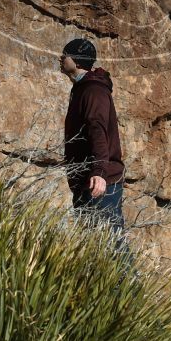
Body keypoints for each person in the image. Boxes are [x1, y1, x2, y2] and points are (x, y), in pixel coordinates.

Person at [59, 38, 130, 258]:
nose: (61, 58)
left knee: (113, 249)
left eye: (65, 55)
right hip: (86, 180)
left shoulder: (93, 90)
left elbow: (97, 131)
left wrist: (99, 172)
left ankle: (128, 291)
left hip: (99, 183)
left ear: (77, 60)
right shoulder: (82, 88)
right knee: (93, 251)